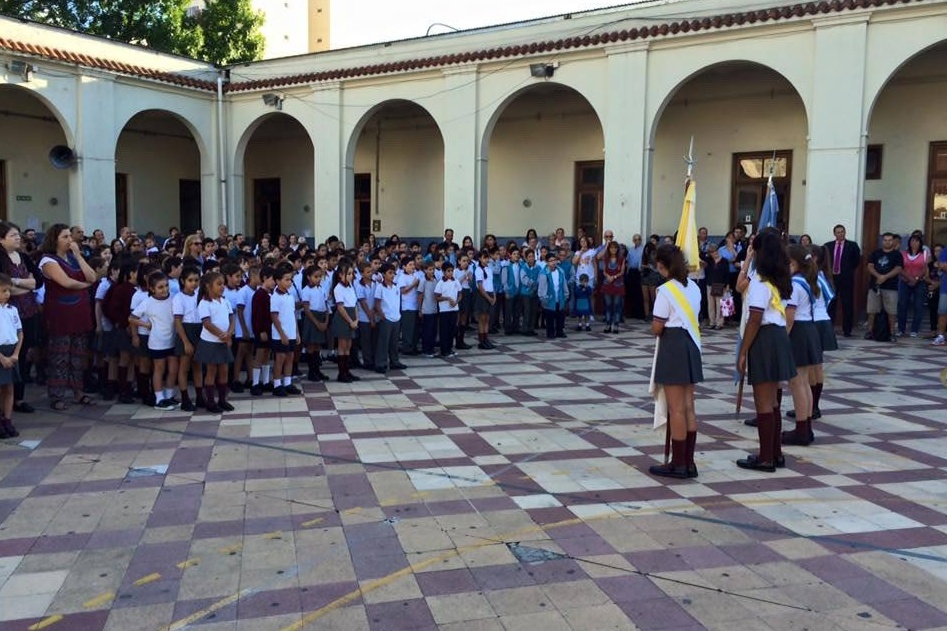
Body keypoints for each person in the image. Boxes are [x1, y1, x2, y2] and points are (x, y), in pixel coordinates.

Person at [736, 230, 795, 473]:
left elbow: (755, 319)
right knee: (773, 402)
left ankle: (766, 458)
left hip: (765, 339)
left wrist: (743, 351)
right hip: (778, 337)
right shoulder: (778, 280)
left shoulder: (760, 282)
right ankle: (775, 453)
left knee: (763, 402)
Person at [647, 245, 702, 479]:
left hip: (673, 344)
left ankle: (678, 463)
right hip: (691, 343)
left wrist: (654, 328)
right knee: (689, 406)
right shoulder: (695, 288)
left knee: (676, 408)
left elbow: (657, 326)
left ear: (664, 266)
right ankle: (688, 462)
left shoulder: (666, 290)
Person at [39, 223, 97, 410]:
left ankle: (78, 391)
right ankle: (57, 394)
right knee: (60, 355)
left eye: (69, 237)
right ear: (54, 240)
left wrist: (79, 256)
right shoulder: (48, 260)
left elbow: (92, 276)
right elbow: (66, 282)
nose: (69, 240)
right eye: (65, 237)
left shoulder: (73, 258)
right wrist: (86, 286)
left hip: (79, 311)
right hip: (60, 313)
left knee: (78, 355)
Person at [782, 245, 823, 446]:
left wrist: (782, 340)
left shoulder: (794, 285)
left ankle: (801, 429)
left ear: (793, 263)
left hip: (798, 331)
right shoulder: (806, 281)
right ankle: (805, 427)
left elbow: (789, 317)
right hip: (808, 330)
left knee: (796, 383)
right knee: (804, 382)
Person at [0, 222, 42, 414]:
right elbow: (5, 288)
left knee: (24, 355)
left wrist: (17, 282)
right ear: (2, 239)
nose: (18, 238)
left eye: (18, 234)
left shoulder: (24, 257)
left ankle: (19, 398)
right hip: (8, 311)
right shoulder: (1, 258)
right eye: (13, 235)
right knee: (8, 353)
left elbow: (38, 281)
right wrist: (25, 284)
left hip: (29, 310)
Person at [129, 271, 178, 410]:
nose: (165, 290)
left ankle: (169, 395)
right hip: (157, 341)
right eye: (160, 287)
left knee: (173, 369)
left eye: (166, 286)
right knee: (159, 369)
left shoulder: (174, 298)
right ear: (152, 288)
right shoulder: (148, 302)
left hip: (172, 339)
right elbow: (131, 318)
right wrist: (146, 325)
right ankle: (159, 398)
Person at [194, 271, 235, 413]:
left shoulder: (225, 301)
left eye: (223, 284)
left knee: (224, 370)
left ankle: (222, 400)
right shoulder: (204, 303)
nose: (222, 287)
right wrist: (221, 335)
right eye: (219, 284)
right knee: (211, 371)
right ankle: (210, 402)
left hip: (223, 341)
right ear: (208, 286)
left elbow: (232, 318)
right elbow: (207, 323)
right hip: (210, 342)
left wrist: (229, 333)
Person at [172, 266, 203, 410]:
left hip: (199, 330)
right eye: (190, 280)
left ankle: (200, 396)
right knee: (184, 368)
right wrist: (185, 341)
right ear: (183, 281)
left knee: (198, 367)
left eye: (196, 280)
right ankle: (185, 398)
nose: (194, 283)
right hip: (186, 331)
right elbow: (177, 321)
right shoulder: (179, 298)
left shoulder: (200, 296)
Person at [823, 224, 861, 337]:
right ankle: (829, 328)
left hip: (846, 278)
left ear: (845, 232)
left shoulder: (852, 245)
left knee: (847, 303)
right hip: (832, 279)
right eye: (838, 232)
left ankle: (847, 330)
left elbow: (856, 261)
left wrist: (847, 271)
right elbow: (824, 260)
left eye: (842, 231)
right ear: (834, 234)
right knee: (831, 303)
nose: (840, 234)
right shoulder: (827, 246)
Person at [865, 232, 903, 341]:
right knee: (872, 310)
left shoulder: (897, 255)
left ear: (893, 241)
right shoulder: (875, 253)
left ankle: (892, 333)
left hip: (891, 287)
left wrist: (885, 277)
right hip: (875, 286)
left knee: (892, 311)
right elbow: (870, 266)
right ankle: (870, 332)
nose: (887, 242)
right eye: (885, 240)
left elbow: (898, 268)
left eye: (890, 240)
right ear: (882, 241)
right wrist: (878, 276)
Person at [270, 265, 302, 394]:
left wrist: (296, 333)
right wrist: (282, 334)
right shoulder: (275, 297)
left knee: (290, 357)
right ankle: (277, 384)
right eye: (286, 279)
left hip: (291, 332)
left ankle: (288, 382)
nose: (289, 282)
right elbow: (274, 317)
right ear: (278, 281)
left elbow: (292, 315)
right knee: (280, 358)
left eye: (290, 279)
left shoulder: (289, 295)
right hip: (280, 334)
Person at [0, 274, 23, 438]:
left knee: (9, 388)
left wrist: (15, 354)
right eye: (3, 291)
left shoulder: (12, 310)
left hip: (11, 351)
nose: (7, 294)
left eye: (8, 290)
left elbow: (20, 333)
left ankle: (8, 420)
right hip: (0, 353)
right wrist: (1, 357)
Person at [330, 261, 360, 383]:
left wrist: (356, 319)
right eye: (348, 274)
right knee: (342, 346)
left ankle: (347, 371)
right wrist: (350, 321)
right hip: (344, 318)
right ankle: (341, 373)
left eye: (352, 274)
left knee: (349, 346)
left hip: (352, 316)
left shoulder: (351, 286)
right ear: (340, 275)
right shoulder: (338, 288)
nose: (351, 276)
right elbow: (340, 307)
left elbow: (354, 304)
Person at [374, 263, 405, 374]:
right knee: (383, 342)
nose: (392, 275)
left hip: (396, 317)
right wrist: (381, 314)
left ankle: (394, 361)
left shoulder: (396, 286)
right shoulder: (380, 287)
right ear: (383, 274)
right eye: (390, 273)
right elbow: (377, 303)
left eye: (393, 273)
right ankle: (380, 363)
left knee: (394, 342)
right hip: (386, 318)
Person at [301, 265, 330, 381]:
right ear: (308, 277)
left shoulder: (322, 289)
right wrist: (317, 323)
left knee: (318, 345)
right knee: (311, 345)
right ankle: (312, 371)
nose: (318, 279)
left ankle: (317, 370)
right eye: (315, 277)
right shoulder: (306, 290)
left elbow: (326, 305)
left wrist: (326, 321)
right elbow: (307, 309)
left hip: (322, 316)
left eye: (320, 277)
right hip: (312, 318)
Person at [250, 267, 276, 394]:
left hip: (269, 329)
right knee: (259, 355)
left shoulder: (269, 294)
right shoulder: (259, 295)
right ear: (264, 278)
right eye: (272, 279)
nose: (274, 282)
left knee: (267, 355)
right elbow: (257, 315)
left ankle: (265, 381)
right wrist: (261, 331)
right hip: (262, 330)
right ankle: (255, 383)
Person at [897, 234, 929, 338]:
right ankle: (901, 329)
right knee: (902, 305)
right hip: (905, 282)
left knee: (918, 306)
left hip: (919, 283)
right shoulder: (903, 254)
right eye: (912, 241)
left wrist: (916, 279)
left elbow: (925, 268)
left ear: (920, 243)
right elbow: (900, 268)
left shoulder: (924, 254)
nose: (914, 243)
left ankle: (914, 329)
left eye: (916, 241)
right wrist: (909, 278)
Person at [537, 252, 569, 339]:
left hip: (560, 296)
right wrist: (543, 298)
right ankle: (550, 333)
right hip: (549, 298)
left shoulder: (560, 271)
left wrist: (566, 294)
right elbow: (542, 287)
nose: (553, 262)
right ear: (547, 262)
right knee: (550, 317)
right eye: (551, 261)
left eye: (554, 260)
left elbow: (564, 284)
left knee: (560, 315)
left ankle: (559, 331)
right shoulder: (544, 273)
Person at [435, 263, 461, 358]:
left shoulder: (456, 281)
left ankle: (450, 349)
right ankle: (444, 350)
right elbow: (437, 297)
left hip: (454, 309)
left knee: (452, 329)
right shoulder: (441, 283)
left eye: (451, 271)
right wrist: (447, 298)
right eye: (448, 271)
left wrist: (456, 302)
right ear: (443, 272)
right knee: (444, 331)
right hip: (444, 310)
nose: (450, 273)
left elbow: (460, 294)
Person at [600, 239, 626, 333]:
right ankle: (608, 324)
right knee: (608, 305)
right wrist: (608, 276)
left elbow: (622, 271)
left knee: (617, 305)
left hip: (618, 284)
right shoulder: (606, 258)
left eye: (615, 248)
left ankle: (616, 325)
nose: (613, 250)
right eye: (611, 248)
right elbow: (604, 271)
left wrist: (614, 277)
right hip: (607, 284)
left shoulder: (621, 259)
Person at [473, 249, 497, 350]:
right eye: (484, 258)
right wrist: (488, 297)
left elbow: (491, 283)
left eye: (487, 258)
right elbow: (480, 286)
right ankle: (481, 340)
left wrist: (494, 296)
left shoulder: (489, 269)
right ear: (479, 258)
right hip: (483, 295)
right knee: (482, 319)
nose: (486, 260)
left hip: (490, 294)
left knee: (487, 318)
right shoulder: (478, 270)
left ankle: (486, 339)